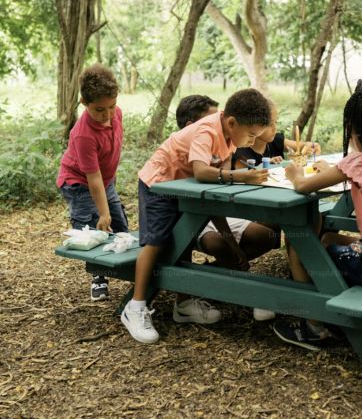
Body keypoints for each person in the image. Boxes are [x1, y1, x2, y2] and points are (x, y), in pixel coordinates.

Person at [273, 80, 362, 351]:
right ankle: (327, 313)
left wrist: (294, 172)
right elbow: (356, 173)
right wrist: (330, 167)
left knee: (300, 247)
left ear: (351, 129)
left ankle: (313, 328)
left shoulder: (358, 161)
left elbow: (303, 186)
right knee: (327, 236)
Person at [121, 89, 272, 344]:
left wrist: (233, 244)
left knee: (184, 239)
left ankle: (183, 305)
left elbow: (215, 193)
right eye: (251, 134)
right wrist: (242, 176)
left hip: (184, 187)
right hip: (159, 184)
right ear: (232, 122)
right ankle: (135, 307)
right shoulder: (208, 130)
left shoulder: (231, 137)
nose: (253, 141)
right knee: (156, 243)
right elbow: (203, 173)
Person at [176, 94, 280, 321]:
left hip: (215, 212)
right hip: (190, 213)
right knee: (219, 243)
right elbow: (206, 181)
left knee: (269, 235)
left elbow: (218, 195)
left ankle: (211, 277)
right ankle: (247, 292)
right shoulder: (203, 140)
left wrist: (234, 244)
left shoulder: (227, 143)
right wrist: (232, 245)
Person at [57, 64, 128, 302]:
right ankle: (98, 278)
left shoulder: (115, 114)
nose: (107, 114)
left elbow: (110, 152)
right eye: (99, 109)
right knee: (93, 228)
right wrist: (102, 212)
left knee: (119, 224)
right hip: (80, 183)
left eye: (112, 106)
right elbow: (92, 177)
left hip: (105, 180)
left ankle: (128, 269)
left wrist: (108, 208)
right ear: (83, 103)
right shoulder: (83, 134)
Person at [232, 101, 321, 169]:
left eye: (276, 122)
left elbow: (300, 146)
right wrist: (264, 165)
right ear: (254, 126)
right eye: (270, 124)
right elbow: (243, 178)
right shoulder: (241, 152)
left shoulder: (275, 140)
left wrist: (308, 145)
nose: (275, 128)